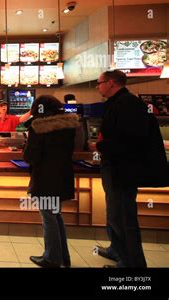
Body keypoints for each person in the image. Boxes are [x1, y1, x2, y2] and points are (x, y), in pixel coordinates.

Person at [93, 70, 168, 268]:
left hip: (123, 171)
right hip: (117, 168)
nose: (97, 87)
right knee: (114, 214)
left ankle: (133, 265)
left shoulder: (127, 104)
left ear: (111, 83)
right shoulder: (120, 103)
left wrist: (100, 146)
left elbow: (129, 140)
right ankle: (117, 250)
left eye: (99, 83)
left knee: (123, 218)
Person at [23, 95, 79, 268]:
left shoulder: (39, 127)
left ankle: (52, 258)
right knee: (56, 216)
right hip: (63, 176)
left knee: (48, 218)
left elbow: (30, 156)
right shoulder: (70, 125)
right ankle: (63, 257)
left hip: (45, 178)